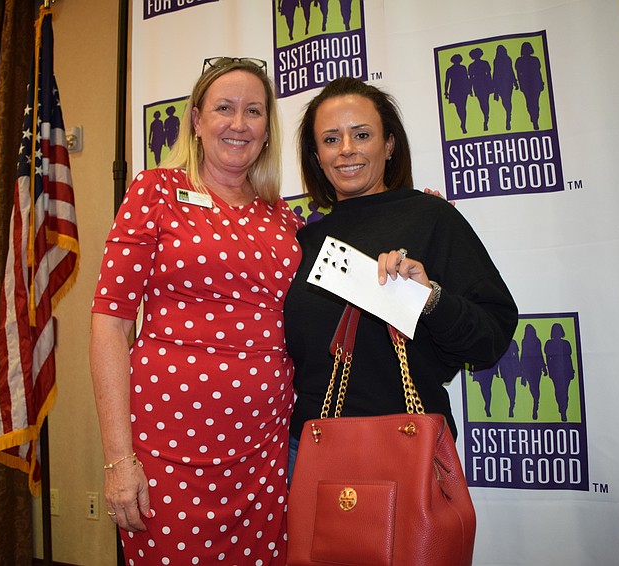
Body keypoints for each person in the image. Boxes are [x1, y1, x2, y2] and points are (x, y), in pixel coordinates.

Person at [89, 56, 302, 565]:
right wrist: (119, 460)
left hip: (264, 452)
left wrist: (411, 219)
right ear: (197, 120)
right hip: (167, 449)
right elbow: (111, 324)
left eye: (254, 111)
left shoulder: (285, 218)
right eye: (224, 108)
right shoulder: (155, 191)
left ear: (267, 130)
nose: (238, 123)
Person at [284, 77, 518, 475]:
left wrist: (432, 299)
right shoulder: (302, 241)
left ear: (389, 145)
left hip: (404, 448)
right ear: (316, 155)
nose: (346, 150)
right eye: (330, 139)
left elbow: (489, 340)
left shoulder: (431, 218)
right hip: (309, 451)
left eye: (361, 134)